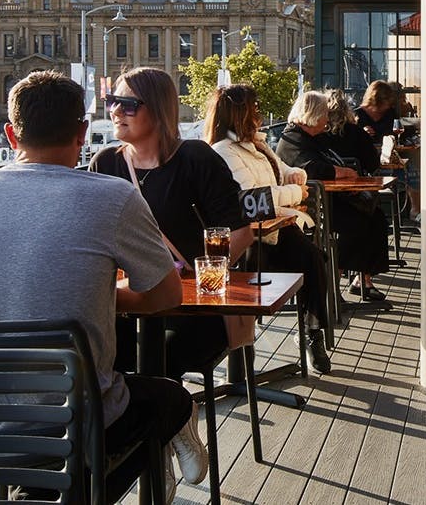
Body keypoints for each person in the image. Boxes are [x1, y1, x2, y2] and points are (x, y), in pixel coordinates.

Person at [0, 69, 204, 495]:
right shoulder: (112, 195)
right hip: (66, 419)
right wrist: (103, 295)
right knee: (169, 399)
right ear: (83, 133)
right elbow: (166, 294)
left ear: (10, 135)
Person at [90, 68, 253, 403]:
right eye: (112, 101)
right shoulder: (105, 164)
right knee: (95, 353)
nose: (115, 111)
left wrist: (203, 276)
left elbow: (240, 233)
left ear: (158, 109)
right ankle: (139, 426)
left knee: (161, 360)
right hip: (126, 305)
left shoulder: (196, 159)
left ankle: (166, 420)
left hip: (194, 309)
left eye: (127, 104)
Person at [205, 83, 334, 373]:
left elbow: (284, 170)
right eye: (255, 109)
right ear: (240, 114)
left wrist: (296, 175)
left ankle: (312, 333)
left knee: (314, 260)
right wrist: (296, 192)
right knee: (303, 263)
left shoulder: (258, 145)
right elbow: (255, 198)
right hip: (251, 241)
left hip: (279, 228)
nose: (259, 114)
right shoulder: (224, 152)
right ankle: (245, 355)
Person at [277, 90, 391, 301]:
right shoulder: (293, 138)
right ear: (313, 115)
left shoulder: (312, 137)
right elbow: (311, 168)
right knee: (358, 224)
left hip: (328, 200)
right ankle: (330, 284)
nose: (327, 119)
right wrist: (343, 172)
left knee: (376, 218)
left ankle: (361, 280)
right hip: (310, 207)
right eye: (324, 114)